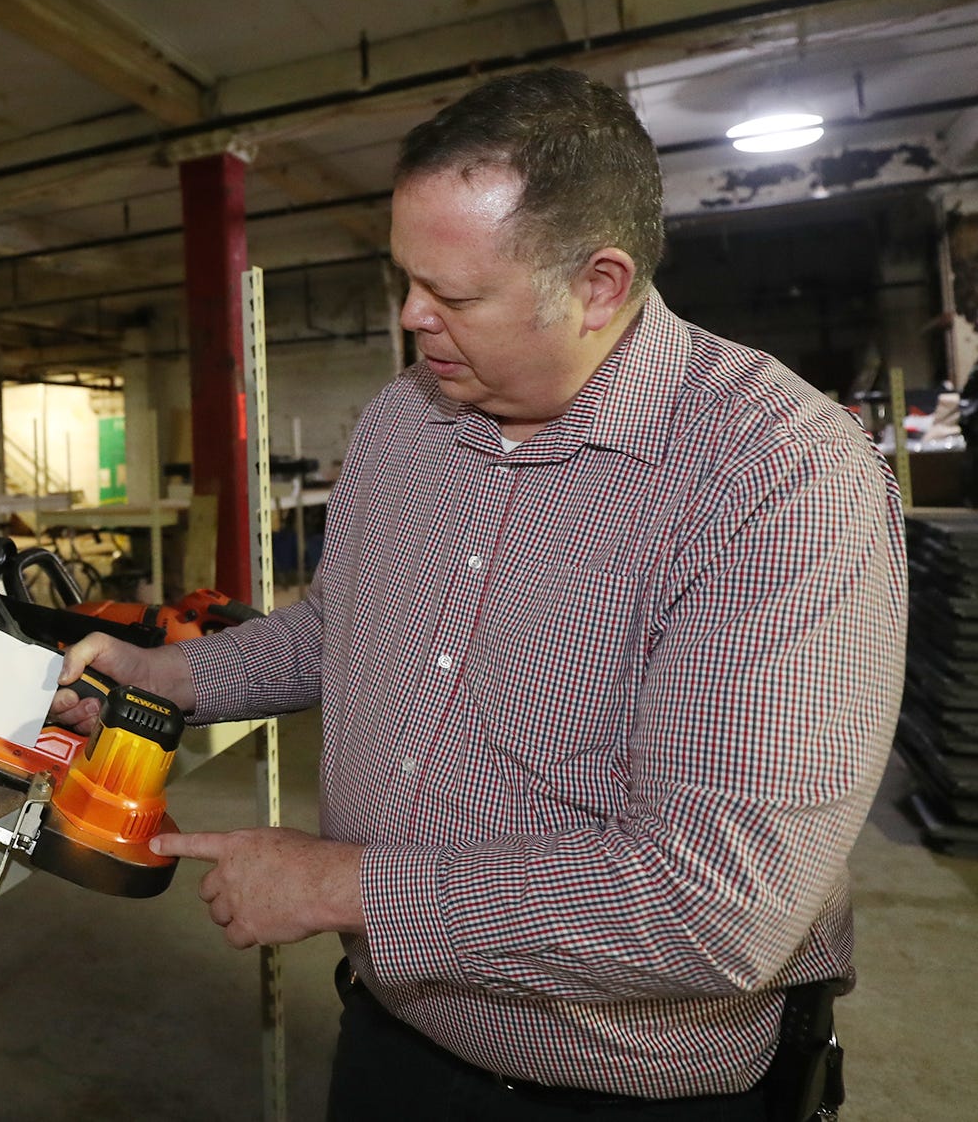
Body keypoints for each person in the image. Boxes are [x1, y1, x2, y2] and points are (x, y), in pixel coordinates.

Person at [53, 68, 904, 1120]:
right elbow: (339, 629)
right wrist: (167, 673)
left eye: (453, 295)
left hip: (626, 1093)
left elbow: (718, 903)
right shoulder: (401, 427)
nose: (413, 317)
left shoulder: (775, 475)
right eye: (404, 279)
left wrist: (342, 887)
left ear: (597, 285)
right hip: (391, 1040)